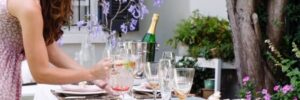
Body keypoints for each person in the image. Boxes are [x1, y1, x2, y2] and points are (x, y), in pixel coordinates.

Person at [0, 0, 112, 99]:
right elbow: (40, 73)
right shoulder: (29, 7)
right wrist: (91, 74)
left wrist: (95, 79)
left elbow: (52, 52)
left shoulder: (36, 5)